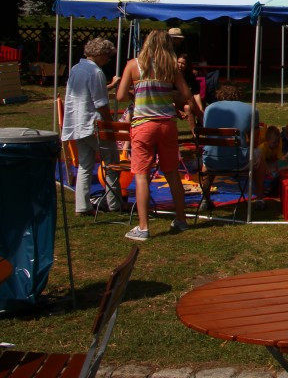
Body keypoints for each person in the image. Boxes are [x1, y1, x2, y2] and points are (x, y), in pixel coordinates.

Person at [116, 29, 200, 241]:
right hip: (167, 125)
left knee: (142, 175)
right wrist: (172, 97)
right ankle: (181, 219)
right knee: (172, 173)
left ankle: (143, 227)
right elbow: (187, 94)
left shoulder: (134, 65)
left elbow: (119, 95)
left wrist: (136, 93)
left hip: (143, 124)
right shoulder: (170, 66)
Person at [62, 38, 121, 215]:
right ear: (101, 55)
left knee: (84, 165)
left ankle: (82, 205)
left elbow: (87, 94)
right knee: (111, 163)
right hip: (93, 124)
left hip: (78, 123)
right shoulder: (95, 72)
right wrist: (109, 123)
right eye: (108, 57)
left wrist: (110, 86)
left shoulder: (76, 68)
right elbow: (100, 102)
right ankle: (114, 203)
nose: (108, 60)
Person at [198, 90, 261, 211]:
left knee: (207, 161)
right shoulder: (251, 110)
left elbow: (208, 137)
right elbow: (255, 142)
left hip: (213, 160)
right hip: (238, 161)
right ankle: (260, 198)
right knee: (260, 156)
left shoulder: (209, 109)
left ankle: (205, 199)